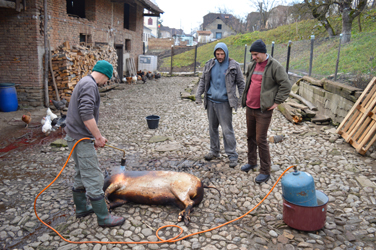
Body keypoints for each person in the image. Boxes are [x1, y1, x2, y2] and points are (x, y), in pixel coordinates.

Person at [65, 60, 125, 227]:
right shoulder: (90, 85)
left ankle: (81, 209)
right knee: (93, 176)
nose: (106, 82)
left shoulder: (84, 81)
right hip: (80, 139)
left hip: (75, 136)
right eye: (108, 79)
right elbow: (86, 114)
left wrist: (94, 137)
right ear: (105, 74)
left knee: (80, 173)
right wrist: (98, 137)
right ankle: (104, 218)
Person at [240, 39, 292, 184]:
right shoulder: (252, 65)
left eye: (255, 54)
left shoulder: (275, 66)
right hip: (250, 107)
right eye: (252, 55)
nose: (253, 57)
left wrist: (276, 102)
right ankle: (252, 162)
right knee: (250, 136)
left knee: (260, 139)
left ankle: (265, 171)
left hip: (263, 110)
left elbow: (286, 85)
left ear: (263, 52)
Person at [196, 42, 245, 168]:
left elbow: (241, 83)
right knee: (212, 128)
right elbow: (203, 80)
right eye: (217, 54)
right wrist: (198, 95)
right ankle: (214, 151)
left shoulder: (233, 66)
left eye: (222, 54)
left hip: (224, 103)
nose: (220, 56)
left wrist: (241, 99)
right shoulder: (209, 64)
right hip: (211, 101)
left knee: (227, 129)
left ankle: (232, 155)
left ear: (226, 53)